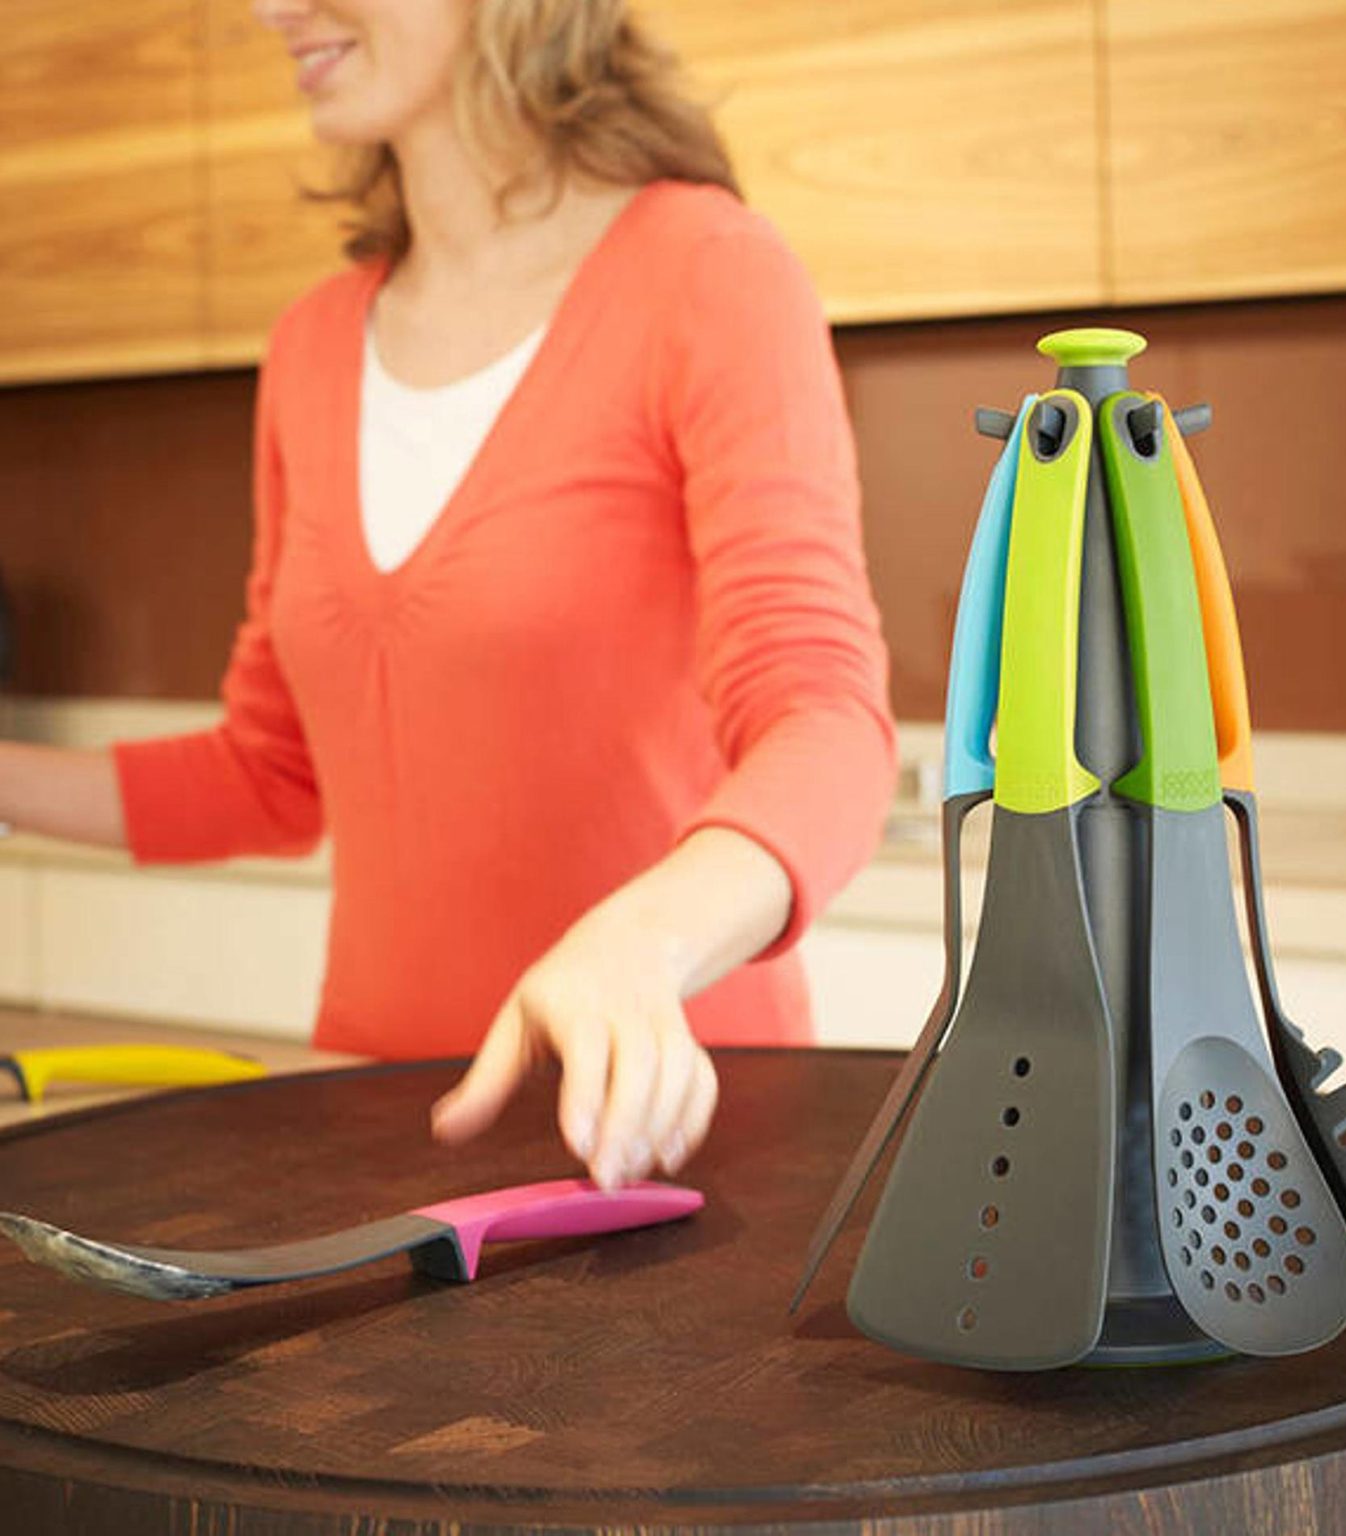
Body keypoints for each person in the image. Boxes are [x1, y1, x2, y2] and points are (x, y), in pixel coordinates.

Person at [0, 0, 896, 1192]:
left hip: (669, 1150)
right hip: (377, 1140)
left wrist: (640, 944)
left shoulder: (709, 274)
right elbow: (272, 772)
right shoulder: (311, 347)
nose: (274, 8)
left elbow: (824, 717)